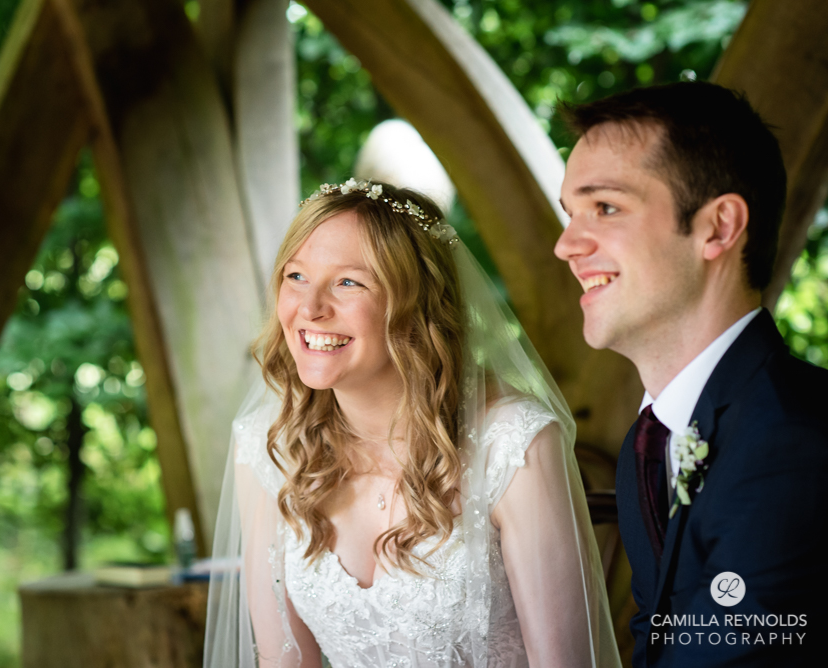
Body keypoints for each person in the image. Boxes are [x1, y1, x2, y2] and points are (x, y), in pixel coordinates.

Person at [203, 179, 620, 667]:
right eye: (295, 276)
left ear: (415, 304)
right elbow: (284, 661)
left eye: (348, 282)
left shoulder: (513, 443)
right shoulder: (269, 445)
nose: (309, 308)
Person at [555, 82, 828, 666]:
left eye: (604, 207)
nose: (566, 245)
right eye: (569, 214)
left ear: (719, 227)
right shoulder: (649, 443)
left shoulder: (793, 443)